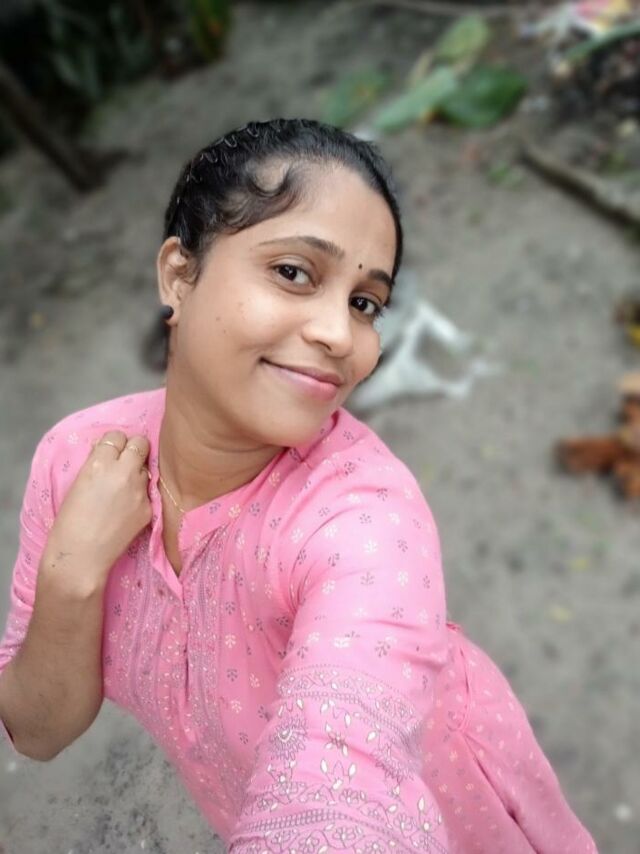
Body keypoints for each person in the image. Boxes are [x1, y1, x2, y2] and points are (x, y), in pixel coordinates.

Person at [0, 119, 597, 853]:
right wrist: (71, 575)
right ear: (179, 275)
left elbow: (339, 793)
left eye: (364, 303)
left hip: (459, 802)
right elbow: (38, 729)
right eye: (294, 272)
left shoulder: (362, 519)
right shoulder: (75, 461)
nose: (341, 336)